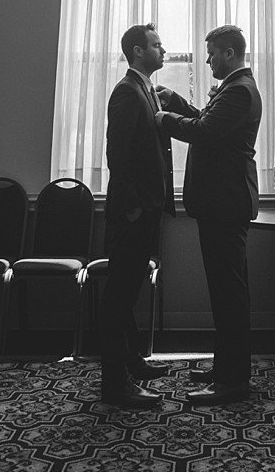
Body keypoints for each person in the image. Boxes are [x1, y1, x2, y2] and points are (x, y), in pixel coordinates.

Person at [156, 24, 262, 406]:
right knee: (225, 291)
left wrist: (162, 120)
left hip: (225, 204)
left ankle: (233, 382)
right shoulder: (236, 89)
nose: (207, 60)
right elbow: (206, 119)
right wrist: (176, 102)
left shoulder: (239, 91)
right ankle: (225, 368)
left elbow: (204, 132)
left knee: (229, 294)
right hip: (221, 203)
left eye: (212, 53)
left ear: (229, 53)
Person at [97, 23, 175, 409]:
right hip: (133, 214)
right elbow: (119, 156)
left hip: (145, 212)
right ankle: (115, 385)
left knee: (127, 292)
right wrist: (133, 209)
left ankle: (131, 363)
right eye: (157, 45)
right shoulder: (127, 92)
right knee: (119, 295)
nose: (164, 50)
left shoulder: (147, 90)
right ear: (137, 51)